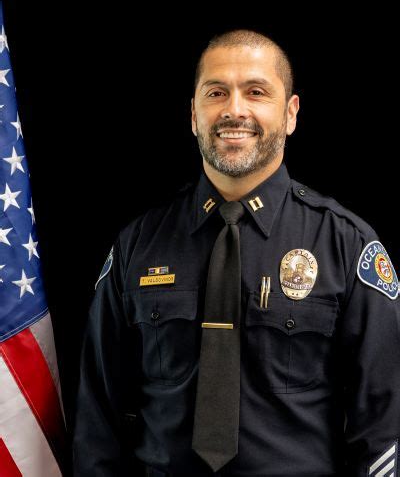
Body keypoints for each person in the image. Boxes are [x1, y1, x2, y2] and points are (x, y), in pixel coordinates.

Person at [72, 29, 400, 476]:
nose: (234, 109)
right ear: (193, 115)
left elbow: (382, 423)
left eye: (256, 92)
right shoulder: (138, 245)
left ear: (290, 113)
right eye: (216, 93)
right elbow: (98, 418)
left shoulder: (345, 244)